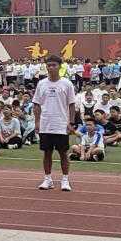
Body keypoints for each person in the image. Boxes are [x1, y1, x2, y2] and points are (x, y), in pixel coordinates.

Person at [34, 55, 78, 191]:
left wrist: (71, 122)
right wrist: (37, 122)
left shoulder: (67, 84)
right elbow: (36, 105)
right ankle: (48, 179)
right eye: (49, 65)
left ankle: (65, 180)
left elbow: (71, 105)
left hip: (61, 124)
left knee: (63, 153)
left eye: (54, 65)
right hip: (46, 123)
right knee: (47, 153)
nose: (51, 67)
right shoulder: (41, 84)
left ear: (60, 66)